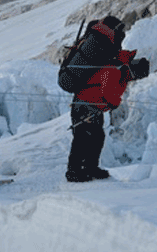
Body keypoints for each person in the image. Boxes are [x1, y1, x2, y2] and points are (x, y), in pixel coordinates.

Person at [64, 15, 150, 182]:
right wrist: (115, 103)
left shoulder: (111, 65)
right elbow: (109, 93)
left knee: (95, 136)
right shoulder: (112, 69)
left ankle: (90, 168)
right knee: (84, 137)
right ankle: (74, 172)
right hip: (86, 106)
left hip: (86, 105)